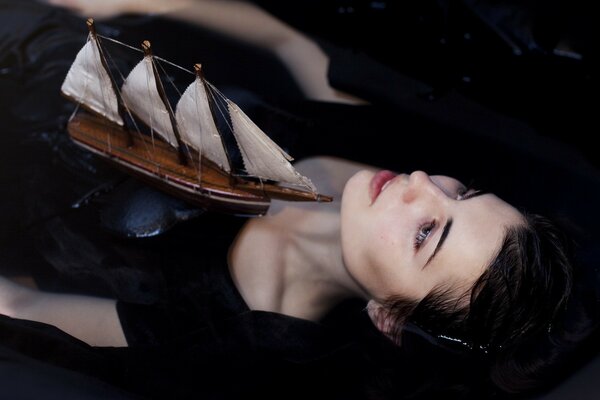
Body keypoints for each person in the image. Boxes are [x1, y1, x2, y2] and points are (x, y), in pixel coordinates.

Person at [0, 155, 581, 398]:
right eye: (463, 192)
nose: (422, 179)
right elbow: (287, 42)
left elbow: (20, 310)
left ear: (389, 316)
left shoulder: (225, 341)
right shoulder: (359, 179)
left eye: (427, 232)